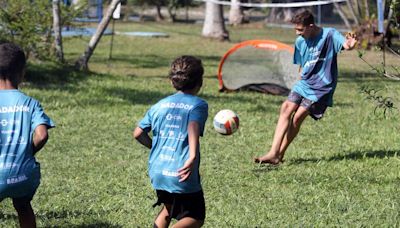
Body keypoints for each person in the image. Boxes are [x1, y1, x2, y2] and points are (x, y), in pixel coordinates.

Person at [254, 10, 357, 165]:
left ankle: (278, 155)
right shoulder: (300, 42)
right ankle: (273, 152)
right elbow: (302, 65)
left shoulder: (329, 34)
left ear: (311, 26)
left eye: (300, 30)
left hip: (321, 86)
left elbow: (345, 44)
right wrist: (301, 75)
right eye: (296, 29)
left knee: (297, 118)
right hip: (305, 83)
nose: (297, 33)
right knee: (286, 108)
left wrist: (350, 45)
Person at [133, 56, 208, 228]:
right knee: (196, 217)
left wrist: (154, 146)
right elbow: (193, 125)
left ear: (172, 81)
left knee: (169, 209)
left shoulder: (159, 105)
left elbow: (138, 133)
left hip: (158, 170)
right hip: (181, 172)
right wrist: (192, 155)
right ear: (200, 82)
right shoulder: (198, 105)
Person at [0, 42, 55, 227]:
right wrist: (27, 151)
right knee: (23, 206)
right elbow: (41, 135)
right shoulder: (30, 103)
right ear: (22, 72)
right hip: (23, 175)